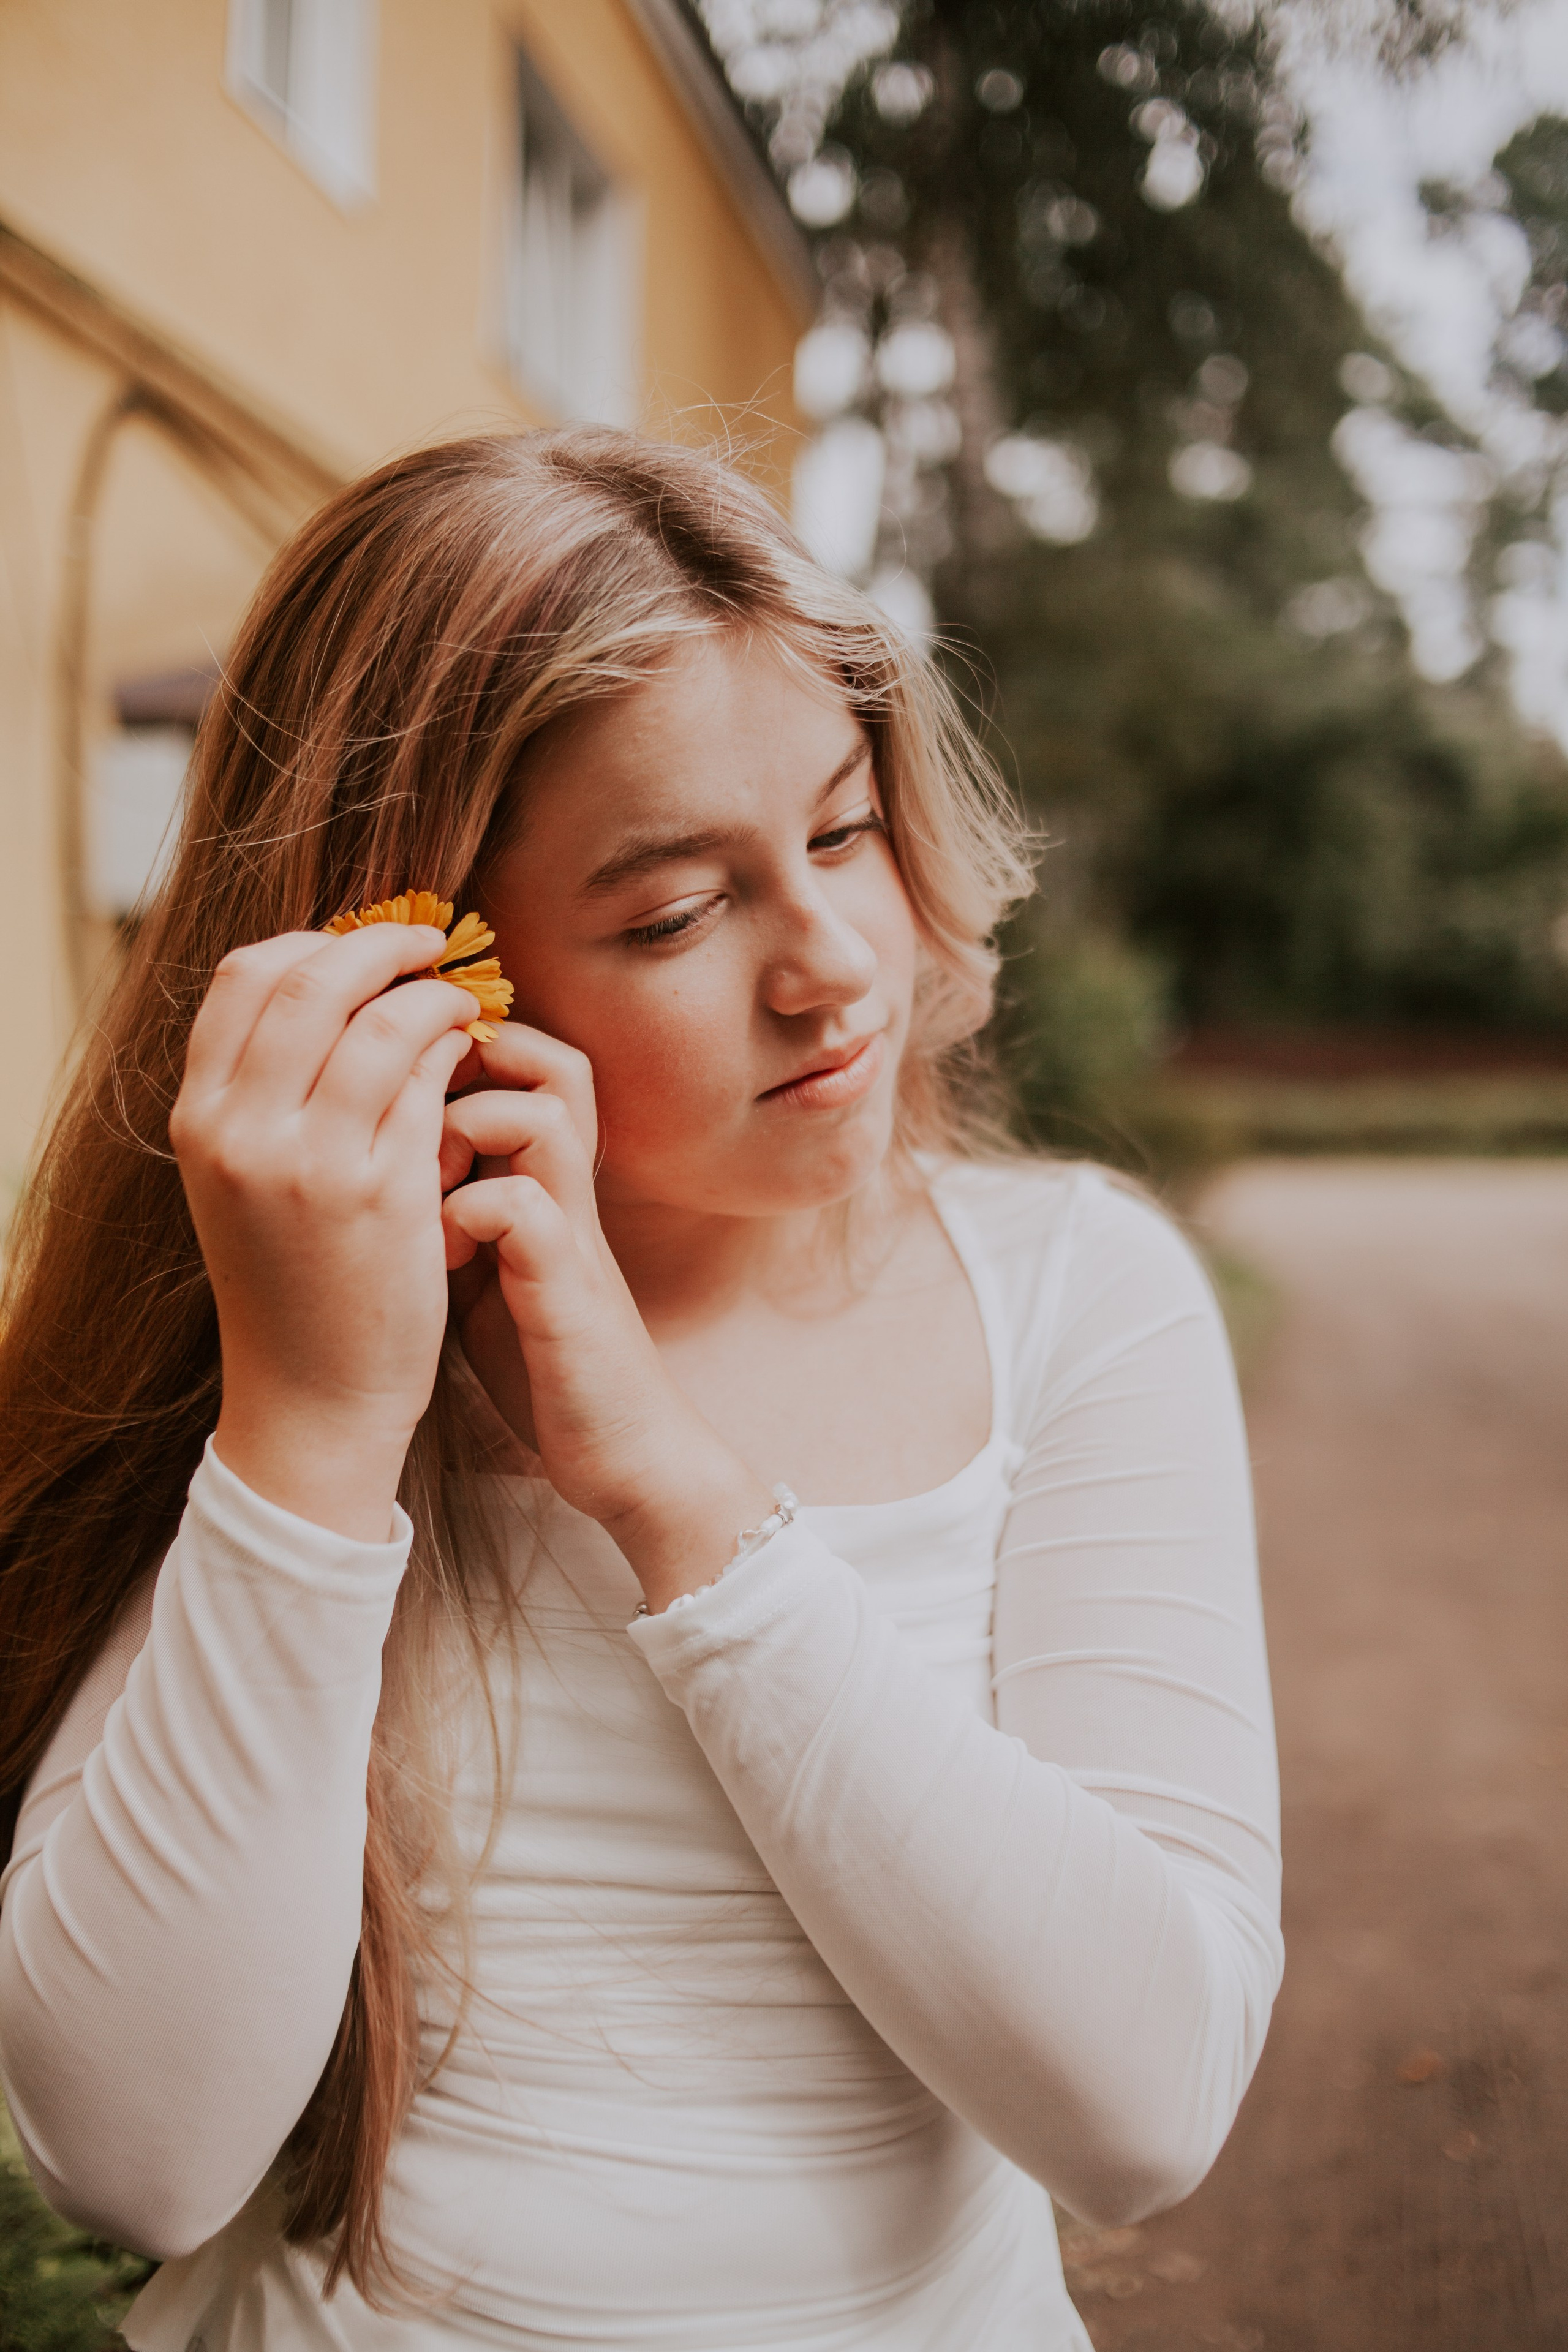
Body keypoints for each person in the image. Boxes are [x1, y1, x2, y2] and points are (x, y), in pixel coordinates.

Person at [0, 429, 1281, 2352]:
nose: (833, 967)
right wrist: (319, 1435)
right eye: (677, 914)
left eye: (842, 832)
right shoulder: (291, 1350)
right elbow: (138, 2158)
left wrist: (678, 1495)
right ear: (418, 969)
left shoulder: (1076, 1294)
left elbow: (1144, 2105)